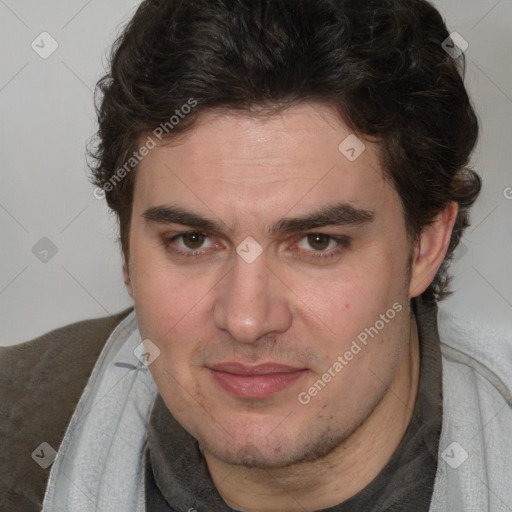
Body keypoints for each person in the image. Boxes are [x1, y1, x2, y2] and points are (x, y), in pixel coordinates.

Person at [1, 0, 511, 510]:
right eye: (192, 240)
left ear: (424, 244)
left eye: (318, 242)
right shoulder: (15, 437)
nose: (246, 319)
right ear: (126, 249)